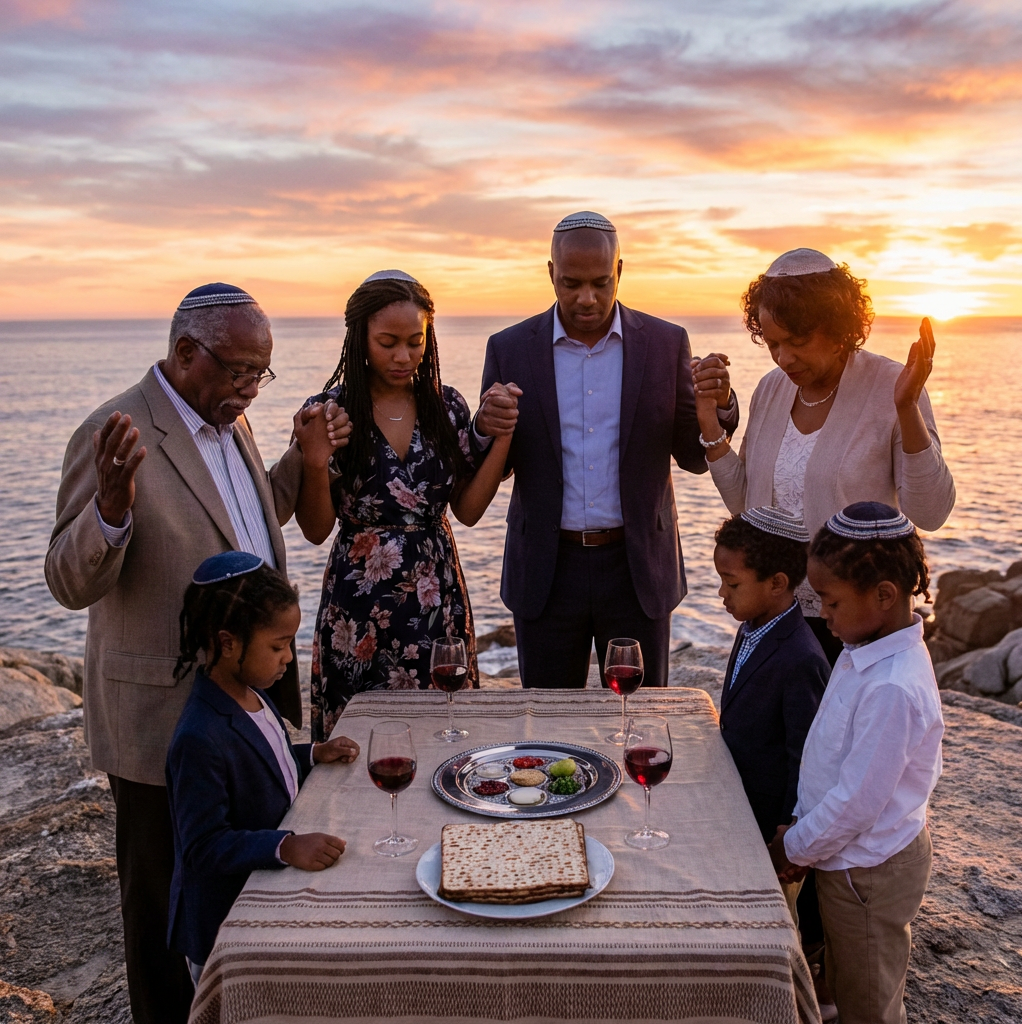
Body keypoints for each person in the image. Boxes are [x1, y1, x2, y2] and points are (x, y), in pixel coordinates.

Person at [44, 283, 338, 1024]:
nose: (248, 387)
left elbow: (245, 523)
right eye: (238, 369)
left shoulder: (230, 424)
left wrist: (302, 459)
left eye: (259, 373)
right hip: (162, 721)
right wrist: (109, 512)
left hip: (249, 702)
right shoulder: (113, 432)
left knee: (239, 889)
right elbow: (66, 579)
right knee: (161, 910)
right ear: (184, 353)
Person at [473, 211, 739, 688]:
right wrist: (483, 426)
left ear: (619, 271)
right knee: (547, 726)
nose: (587, 299)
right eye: (571, 283)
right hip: (546, 572)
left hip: (637, 569)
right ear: (550, 273)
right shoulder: (509, 347)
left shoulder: (665, 343)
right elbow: (498, 460)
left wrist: (718, 404)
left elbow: (693, 457)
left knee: (639, 724)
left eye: (600, 282)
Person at [696, 248, 955, 665]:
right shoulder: (772, 389)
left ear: (839, 328)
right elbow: (750, 508)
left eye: (797, 342)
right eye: (773, 343)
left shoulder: (893, 386)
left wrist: (907, 408)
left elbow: (930, 512)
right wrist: (710, 423)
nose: (784, 359)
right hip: (778, 618)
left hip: (860, 625)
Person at [294, 270, 515, 741]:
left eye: (416, 342)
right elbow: (315, 530)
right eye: (388, 342)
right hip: (357, 603)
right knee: (357, 736)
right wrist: (314, 462)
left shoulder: (447, 407)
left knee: (442, 729)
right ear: (359, 339)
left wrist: (503, 439)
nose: (403, 356)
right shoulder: (329, 411)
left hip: (437, 594)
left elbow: (470, 512)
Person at [769, 502, 943, 1024]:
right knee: (844, 976)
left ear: (884, 596)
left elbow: (857, 802)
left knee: (869, 998)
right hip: (844, 859)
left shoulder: (893, 687)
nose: (823, 613)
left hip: (869, 872)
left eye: (830, 600)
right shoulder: (866, 644)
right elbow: (833, 756)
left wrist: (793, 846)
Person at [166, 552, 359, 984]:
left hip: (264, 899)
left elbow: (262, 761)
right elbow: (203, 846)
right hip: (226, 930)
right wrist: (285, 846)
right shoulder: (198, 736)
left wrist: (310, 755)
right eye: (277, 646)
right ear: (228, 642)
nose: (288, 657)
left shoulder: (251, 692)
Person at [713, 507, 829, 921]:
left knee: (775, 919)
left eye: (731, 583)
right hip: (739, 809)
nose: (722, 594)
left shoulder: (801, 658)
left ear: (777, 583)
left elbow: (806, 756)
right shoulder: (753, 625)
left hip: (767, 829)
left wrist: (788, 829)